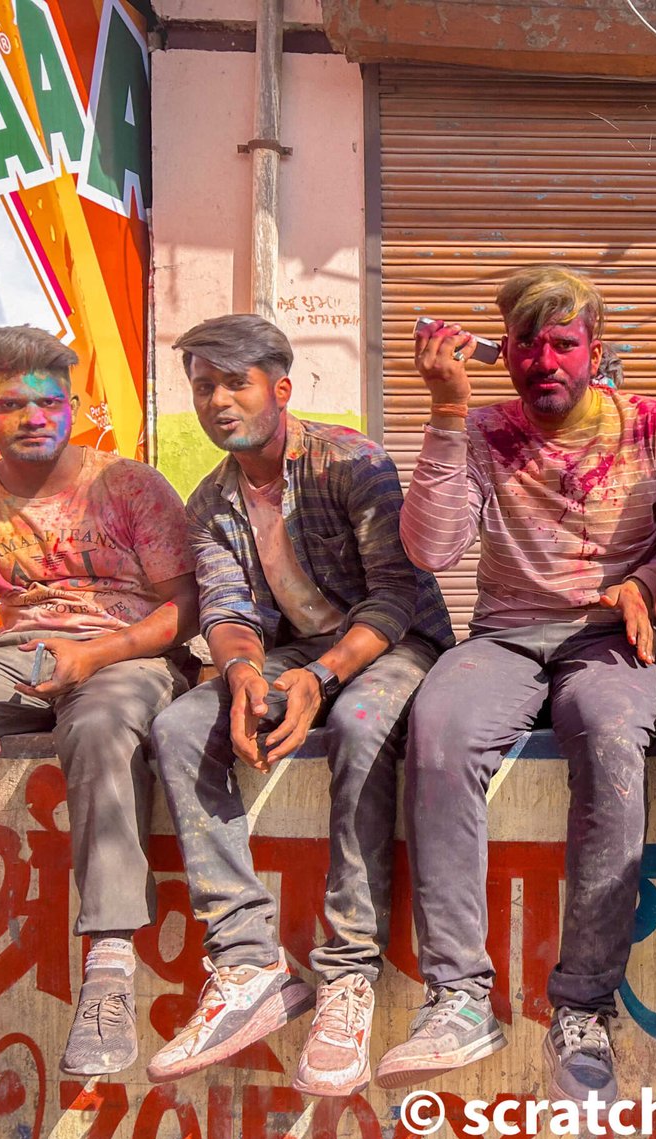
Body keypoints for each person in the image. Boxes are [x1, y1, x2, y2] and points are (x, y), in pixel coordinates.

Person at [378, 267, 656, 1103]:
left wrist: (647, 584)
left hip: (608, 636)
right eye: (526, 344)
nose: (544, 360)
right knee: (438, 730)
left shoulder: (651, 425)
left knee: (615, 744)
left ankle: (583, 1007)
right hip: (508, 634)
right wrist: (443, 413)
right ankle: (457, 997)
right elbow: (433, 552)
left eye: (563, 343)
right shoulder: (479, 429)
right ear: (503, 351)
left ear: (595, 350)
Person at [147, 315, 453, 1097]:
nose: (218, 401)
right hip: (296, 651)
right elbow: (224, 609)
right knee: (182, 725)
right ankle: (248, 962)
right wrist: (246, 674)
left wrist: (320, 676)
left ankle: (347, 975)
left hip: (392, 646)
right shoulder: (211, 496)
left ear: (280, 389)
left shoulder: (352, 461)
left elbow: (395, 596)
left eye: (235, 383)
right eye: (204, 385)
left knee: (356, 727)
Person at [0, 326, 198, 1076]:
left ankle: (110, 966)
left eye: (47, 402)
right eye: (9, 404)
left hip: (132, 651)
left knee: (96, 725)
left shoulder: (129, 485)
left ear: (75, 404)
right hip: (19, 657)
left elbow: (184, 610)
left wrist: (94, 654)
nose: (31, 417)